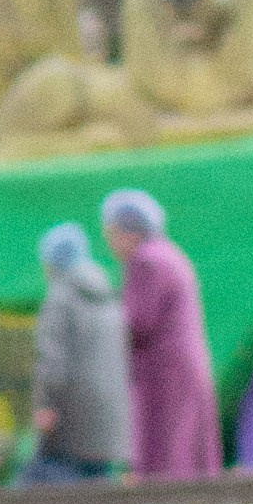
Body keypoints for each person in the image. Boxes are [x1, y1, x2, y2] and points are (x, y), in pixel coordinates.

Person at [102, 187, 222, 477]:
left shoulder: (146, 261)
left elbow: (137, 322)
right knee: (189, 447)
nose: (110, 244)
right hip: (183, 365)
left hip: (164, 371)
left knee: (167, 450)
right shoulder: (169, 255)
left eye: (111, 234)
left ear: (129, 232)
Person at [27, 220, 130, 480]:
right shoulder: (106, 294)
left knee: (52, 495)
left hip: (71, 419)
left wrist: (46, 405)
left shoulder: (60, 298)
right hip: (109, 419)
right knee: (97, 497)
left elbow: (52, 361)